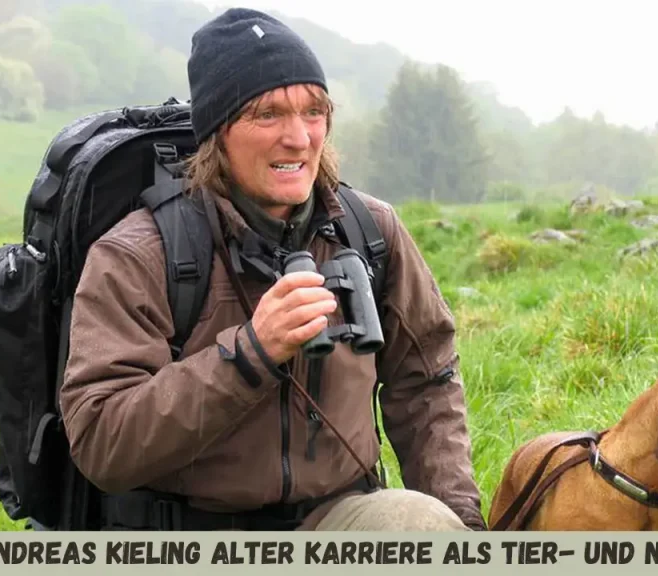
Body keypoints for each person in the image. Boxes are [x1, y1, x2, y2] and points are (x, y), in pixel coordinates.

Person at [57, 7, 486, 531]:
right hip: (191, 531)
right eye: (268, 114)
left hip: (337, 518)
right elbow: (101, 442)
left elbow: (427, 384)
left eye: (314, 111)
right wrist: (250, 355)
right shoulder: (140, 254)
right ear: (218, 133)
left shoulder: (369, 231)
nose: (300, 138)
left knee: (419, 526)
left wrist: (463, 530)